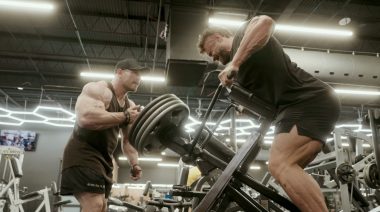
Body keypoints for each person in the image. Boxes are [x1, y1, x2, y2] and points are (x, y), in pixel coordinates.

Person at [197, 15, 340, 211]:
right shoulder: (238, 77)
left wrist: (235, 62)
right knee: (285, 172)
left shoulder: (242, 36)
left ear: (218, 36)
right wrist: (246, 108)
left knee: (281, 164)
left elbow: (266, 22)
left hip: (309, 101)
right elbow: (269, 108)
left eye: (209, 50)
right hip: (293, 108)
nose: (211, 57)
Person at [61, 58, 147, 212]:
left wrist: (135, 164)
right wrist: (125, 116)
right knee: (94, 205)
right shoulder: (99, 89)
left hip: (104, 160)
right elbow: (85, 118)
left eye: (140, 74)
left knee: (102, 207)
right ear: (119, 72)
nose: (139, 78)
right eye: (135, 72)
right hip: (83, 154)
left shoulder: (130, 106)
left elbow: (127, 141)